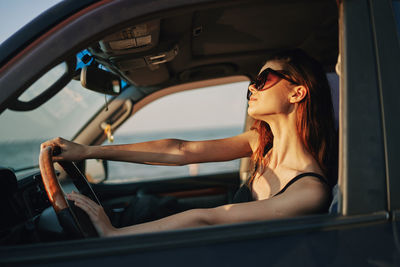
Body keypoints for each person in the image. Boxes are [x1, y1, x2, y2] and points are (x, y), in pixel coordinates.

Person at [41, 49, 337, 237]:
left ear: (297, 93)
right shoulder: (261, 142)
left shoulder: (309, 191)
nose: (251, 87)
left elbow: (206, 219)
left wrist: (114, 233)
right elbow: (181, 151)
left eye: (263, 78)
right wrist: (88, 151)